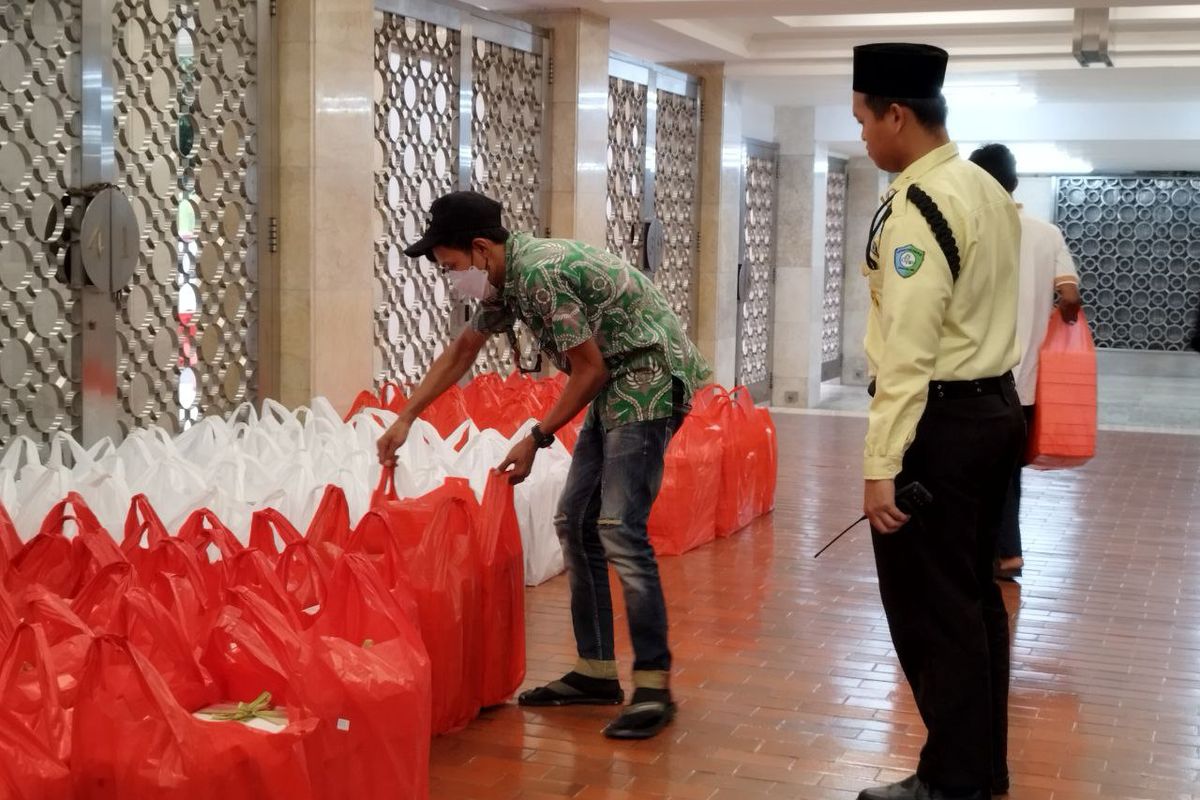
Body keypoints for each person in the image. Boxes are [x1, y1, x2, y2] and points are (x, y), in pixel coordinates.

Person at [376, 190, 711, 740]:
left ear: (480, 250)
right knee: (575, 522)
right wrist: (406, 416)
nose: (451, 279)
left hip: (647, 375)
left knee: (619, 530)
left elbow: (589, 370)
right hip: (620, 378)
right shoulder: (505, 279)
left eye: (451, 266)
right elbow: (463, 351)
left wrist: (536, 436)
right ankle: (596, 671)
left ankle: (653, 686)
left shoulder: (537, 275)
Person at [851, 43, 1026, 800]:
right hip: (994, 412)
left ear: (897, 114)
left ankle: (952, 784)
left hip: (941, 429)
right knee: (977, 602)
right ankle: (978, 773)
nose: (863, 137)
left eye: (864, 120)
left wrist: (880, 465)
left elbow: (909, 356)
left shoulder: (920, 208)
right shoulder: (985, 189)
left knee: (932, 613)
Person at [968, 143, 1084, 580]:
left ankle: (990, 551)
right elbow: (1070, 295)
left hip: (974, 375)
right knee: (1007, 468)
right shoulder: (1045, 232)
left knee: (973, 467)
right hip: (1026, 383)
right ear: (1015, 184)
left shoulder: (970, 229)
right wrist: (1055, 316)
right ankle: (1006, 551)